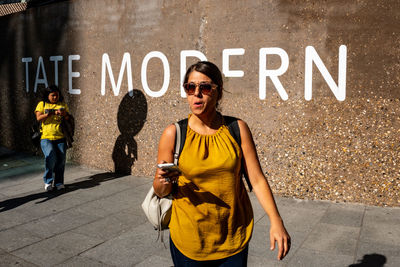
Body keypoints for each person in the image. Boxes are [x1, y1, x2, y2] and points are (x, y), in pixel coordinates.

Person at [153, 61, 291, 266]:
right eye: (190, 87)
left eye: (205, 87)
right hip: (189, 240)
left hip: (233, 236)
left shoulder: (237, 129)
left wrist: (276, 220)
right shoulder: (174, 133)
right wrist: (163, 183)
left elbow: (257, 179)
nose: (197, 94)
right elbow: (159, 188)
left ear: (219, 92)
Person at [35, 85, 71, 192]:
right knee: (50, 157)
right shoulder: (42, 104)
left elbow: (68, 118)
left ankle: (59, 183)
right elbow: (38, 118)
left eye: (57, 95)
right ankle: (48, 181)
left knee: (61, 160)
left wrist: (65, 114)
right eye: (53, 95)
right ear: (48, 95)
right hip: (46, 137)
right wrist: (50, 113)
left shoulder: (62, 104)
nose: (55, 97)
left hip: (61, 137)